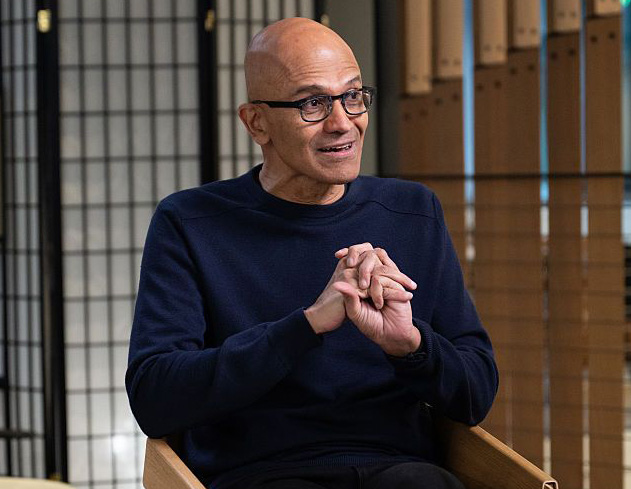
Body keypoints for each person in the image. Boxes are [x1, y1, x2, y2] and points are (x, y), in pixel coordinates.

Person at [126, 17, 497, 489]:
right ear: (257, 122)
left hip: (400, 468)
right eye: (312, 104)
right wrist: (305, 326)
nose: (343, 122)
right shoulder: (190, 222)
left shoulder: (412, 211)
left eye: (353, 95)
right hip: (260, 475)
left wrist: (410, 345)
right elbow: (156, 398)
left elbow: (475, 394)